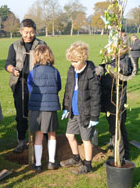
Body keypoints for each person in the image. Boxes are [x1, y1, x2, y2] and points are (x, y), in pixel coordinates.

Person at [5, 18, 46, 153]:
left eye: (32, 32)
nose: (29, 35)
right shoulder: (14, 46)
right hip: (20, 83)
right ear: (21, 31)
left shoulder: (41, 44)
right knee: (21, 114)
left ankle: (40, 139)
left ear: (35, 32)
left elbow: (48, 61)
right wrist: (13, 70)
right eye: (26, 32)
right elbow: (8, 64)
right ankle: (22, 141)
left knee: (39, 112)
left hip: (37, 84)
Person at [60, 41, 101, 174]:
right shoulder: (71, 70)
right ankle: (76, 158)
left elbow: (96, 96)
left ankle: (88, 165)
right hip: (73, 111)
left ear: (83, 58)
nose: (73, 64)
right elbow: (68, 89)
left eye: (75, 61)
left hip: (86, 114)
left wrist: (94, 116)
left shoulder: (91, 73)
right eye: (71, 61)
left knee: (86, 140)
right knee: (69, 135)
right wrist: (66, 107)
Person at [27, 45, 61, 173]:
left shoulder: (32, 72)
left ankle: (38, 164)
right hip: (50, 106)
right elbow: (58, 86)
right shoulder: (55, 71)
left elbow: (30, 88)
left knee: (38, 134)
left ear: (36, 57)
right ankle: (52, 162)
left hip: (36, 107)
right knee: (51, 133)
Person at [96, 45, 132, 161]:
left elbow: (119, 76)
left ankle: (120, 157)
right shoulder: (114, 61)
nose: (108, 51)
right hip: (112, 100)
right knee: (119, 128)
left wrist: (105, 71)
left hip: (116, 102)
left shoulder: (123, 62)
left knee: (116, 129)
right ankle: (125, 154)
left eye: (111, 50)